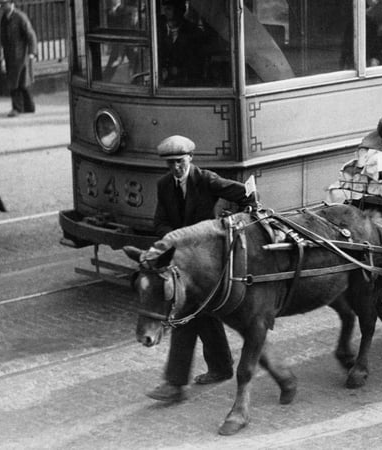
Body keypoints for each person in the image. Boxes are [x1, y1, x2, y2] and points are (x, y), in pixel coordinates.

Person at [146, 135, 258, 402]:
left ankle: (175, 384)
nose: (176, 168)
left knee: (187, 313)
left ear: (190, 159)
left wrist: (239, 217)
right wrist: (175, 237)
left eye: (180, 162)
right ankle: (220, 367)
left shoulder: (206, 179)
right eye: (171, 163)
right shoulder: (164, 185)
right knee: (201, 311)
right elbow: (159, 222)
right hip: (183, 259)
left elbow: (244, 193)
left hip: (209, 258)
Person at [0, 0, 37, 117]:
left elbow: (31, 35)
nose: (3, 6)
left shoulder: (20, 17)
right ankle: (29, 106)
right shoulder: (4, 19)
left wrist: (32, 52)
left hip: (21, 55)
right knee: (21, 82)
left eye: (5, 4)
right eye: (2, 4)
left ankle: (17, 108)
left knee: (16, 82)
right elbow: (3, 37)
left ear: (12, 3)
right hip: (10, 55)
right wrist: (1, 52)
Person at [158, 0, 204, 86]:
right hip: (159, 84)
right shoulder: (156, 28)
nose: (172, 12)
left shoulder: (194, 33)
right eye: (167, 8)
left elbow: (198, 66)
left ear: (183, 10)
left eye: (176, 8)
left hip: (185, 86)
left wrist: (178, 71)